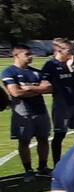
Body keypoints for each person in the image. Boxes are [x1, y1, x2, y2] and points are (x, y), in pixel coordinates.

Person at [2, 44, 52, 181]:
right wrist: (38, 89)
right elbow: (15, 93)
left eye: (31, 54)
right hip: (23, 112)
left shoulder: (36, 72)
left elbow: (49, 88)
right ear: (16, 55)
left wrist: (28, 88)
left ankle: (43, 167)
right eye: (27, 54)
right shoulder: (9, 72)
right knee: (24, 141)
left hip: (40, 110)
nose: (30, 57)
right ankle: (28, 170)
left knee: (43, 139)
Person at [42, 38, 74, 166]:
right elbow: (44, 83)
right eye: (69, 50)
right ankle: (57, 164)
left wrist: (71, 68)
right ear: (59, 51)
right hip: (62, 104)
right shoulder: (50, 65)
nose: (73, 53)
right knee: (60, 134)